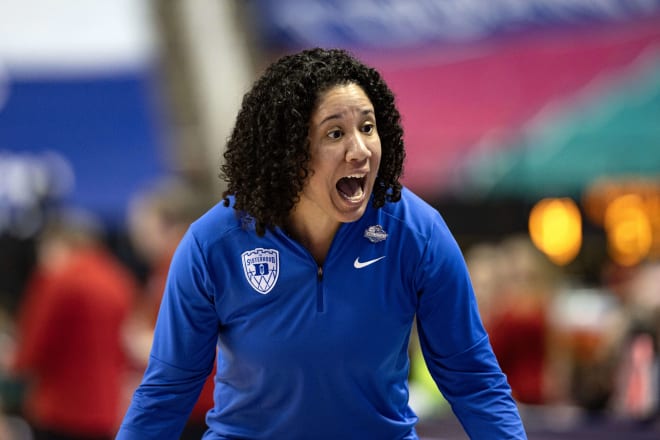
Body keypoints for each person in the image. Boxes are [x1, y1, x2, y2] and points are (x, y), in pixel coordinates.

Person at [117, 47, 526, 439]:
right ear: (287, 152)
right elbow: (166, 391)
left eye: (368, 127)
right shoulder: (214, 244)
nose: (361, 149)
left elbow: (474, 379)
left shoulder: (417, 233)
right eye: (335, 133)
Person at [10, 209, 137, 440]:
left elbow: (35, 345)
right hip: (105, 408)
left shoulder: (58, 280)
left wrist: (16, 365)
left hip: (61, 408)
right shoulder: (119, 279)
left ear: (58, 243)